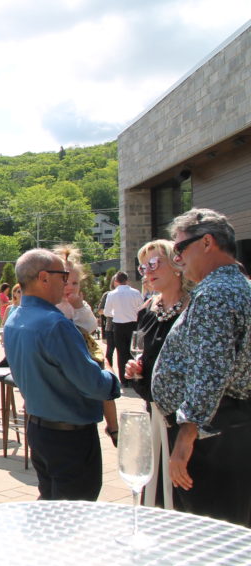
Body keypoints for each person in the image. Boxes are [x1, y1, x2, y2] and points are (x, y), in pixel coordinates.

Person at [152, 209, 251, 526]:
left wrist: (185, 437)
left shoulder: (215, 294)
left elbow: (209, 372)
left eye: (180, 249)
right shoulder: (239, 286)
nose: (178, 259)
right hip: (228, 434)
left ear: (207, 242)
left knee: (210, 539)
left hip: (211, 442)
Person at [4, 249, 120, 500]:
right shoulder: (55, 324)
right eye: (63, 275)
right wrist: (109, 371)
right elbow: (94, 385)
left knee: (51, 506)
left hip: (39, 430)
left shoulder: (15, 318)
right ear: (44, 278)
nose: (66, 282)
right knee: (74, 516)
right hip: (70, 437)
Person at [123, 239, 189, 508]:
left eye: (153, 263)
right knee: (155, 493)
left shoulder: (195, 308)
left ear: (176, 264)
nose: (147, 271)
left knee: (182, 493)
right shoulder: (146, 311)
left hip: (186, 419)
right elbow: (143, 356)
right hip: (153, 413)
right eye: (142, 266)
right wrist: (134, 370)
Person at [53, 244, 118, 445]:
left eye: (74, 282)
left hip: (84, 352)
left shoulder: (78, 304)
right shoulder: (50, 303)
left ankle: (113, 425)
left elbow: (90, 327)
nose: (70, 287)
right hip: (63, 355)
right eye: (65, 282)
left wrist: (79, 306)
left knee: (105, 378)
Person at [103, 271, 145, 385]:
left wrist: (116, 313)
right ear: (127, 280)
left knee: (121, 353)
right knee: (133, 352)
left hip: (119, 325)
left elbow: (107, 312)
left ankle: (124, 380)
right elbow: (141, 308)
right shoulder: (135, 292)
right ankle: (134, 377)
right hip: (133, 324)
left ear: (116, 281)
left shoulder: (112, 294)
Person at [97, 289, 116, 364]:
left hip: (126, 327)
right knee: (110, 351)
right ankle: (109, 371)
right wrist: (116, 312)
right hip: (110, 327)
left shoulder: (129, 293)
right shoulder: (107, 294)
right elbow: (100, 311)